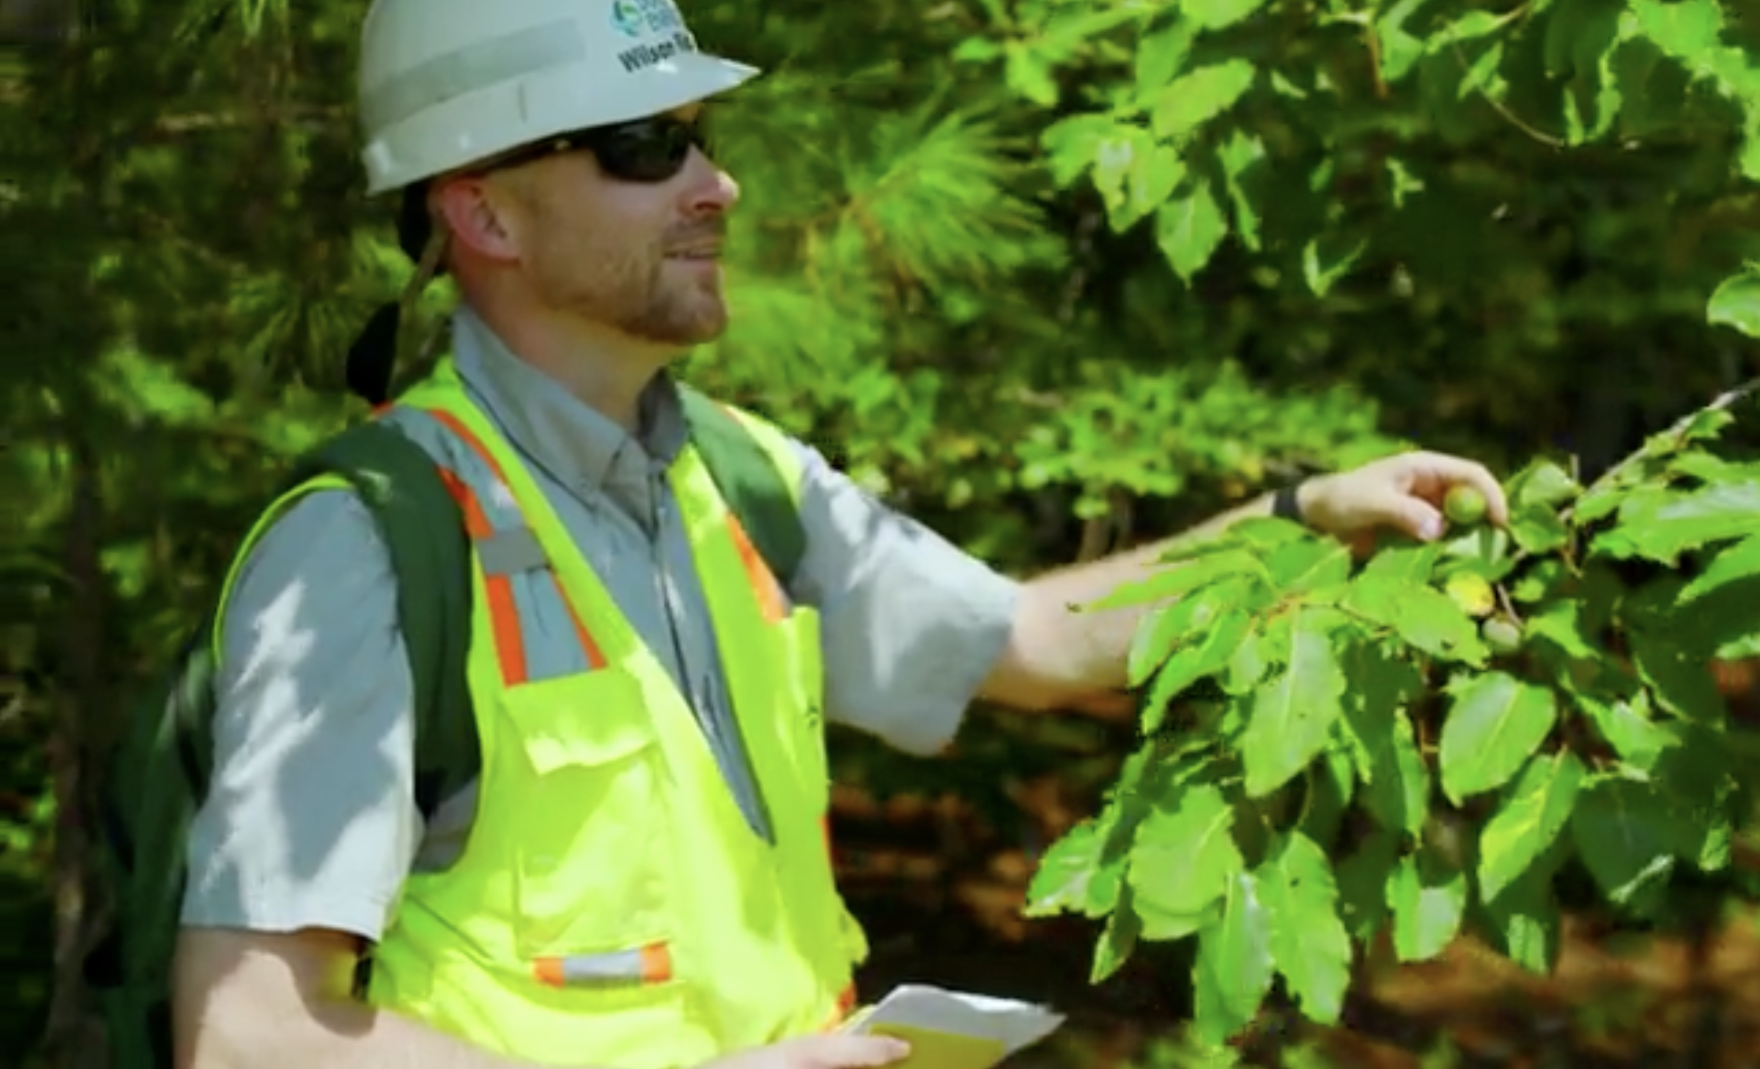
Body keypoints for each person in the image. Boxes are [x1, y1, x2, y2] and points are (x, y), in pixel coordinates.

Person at [168, 1, 1510, 1068]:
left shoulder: (743, 480)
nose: (719, 186)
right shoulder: (368, 544)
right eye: (646, 146)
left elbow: (1033, 639)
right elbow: (248, 1032)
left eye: (696, 134)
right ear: (482, 212)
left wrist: (1298, 524)